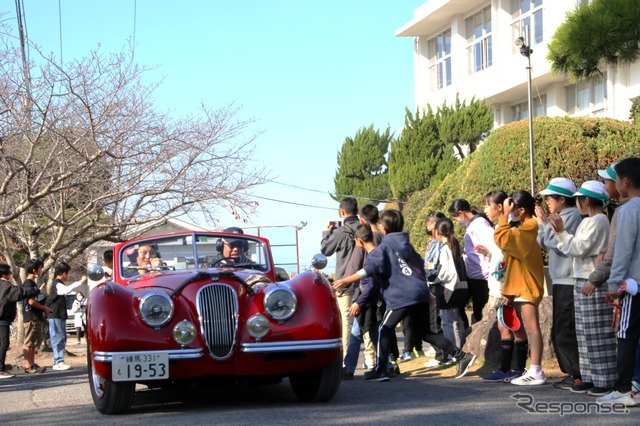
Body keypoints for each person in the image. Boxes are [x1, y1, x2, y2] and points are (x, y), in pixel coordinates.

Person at [333, 210, 476, 382]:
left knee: (384, 329)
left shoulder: (385, 247)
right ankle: (461, 356)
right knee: (426, 333)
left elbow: (368, 269)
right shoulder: (407, 246)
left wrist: (346, 280)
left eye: (379, 224)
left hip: (402, 296)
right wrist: (427, 293)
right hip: (420, 293)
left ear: (384, 227)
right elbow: (420, 268)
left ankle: (381, 369)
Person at [549, 180, 615, 395]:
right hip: (581, 278)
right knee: (584, 333)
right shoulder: (591, 219)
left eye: (578, 199)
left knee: (597, 333)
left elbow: (578, 248)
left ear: (586, 200)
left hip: (591, 280)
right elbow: (576, 248)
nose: (577, 203)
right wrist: (562, 234)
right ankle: (589, 376)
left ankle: (604, 379)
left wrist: (560, 232)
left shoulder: (599, 220)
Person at [597, 158, 640, 406]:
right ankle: (635, 386)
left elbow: (622, 251)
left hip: (632, 286)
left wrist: (614, 286)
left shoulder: (627, 211)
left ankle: (624, 389)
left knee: (625, 335)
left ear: (624, 182)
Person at [534, 178, 583, 390]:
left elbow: (557, 244)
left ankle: (577, 373)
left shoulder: (571, 216)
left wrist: (545, 226)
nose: (548, 202)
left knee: (565, 328)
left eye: (550, 198)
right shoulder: (562, 216)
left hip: (568, 278)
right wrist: (543, 224)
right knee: (561, 327)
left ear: (563, 199)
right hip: (561, 278)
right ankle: (573, 372)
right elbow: (544, 242)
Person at [494, 190, 546, 386]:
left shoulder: (530, 226)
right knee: (530, 329)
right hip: (520, 285)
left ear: (522, 210)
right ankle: (533, 369)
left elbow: (504, 240)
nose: (509, 212)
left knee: (533, 329)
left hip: (528, 285)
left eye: (512, 209)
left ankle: (536, 370)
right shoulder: (525, 226)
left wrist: (503, 217)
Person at [477, 190, 529, 383]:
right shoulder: (500, 229)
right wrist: (489, 253)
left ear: (500, 208)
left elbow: (510, 261)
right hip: (501, 287)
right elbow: (500, 257)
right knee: (505, 325)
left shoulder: (510, 229)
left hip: (509, 288)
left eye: (487, 206)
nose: (485, 210)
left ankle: (516, 368)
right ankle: (508, 368)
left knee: (513, 325)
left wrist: (508, 290)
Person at [321, 197, 362, 358]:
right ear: (357, 211)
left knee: (346, 321)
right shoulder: (365, 229)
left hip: (344, 283)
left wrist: (326, 233)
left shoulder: (340, 232)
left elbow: (325, 250)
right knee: (366, 322)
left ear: (342, 212)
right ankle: (372, 359)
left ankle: (345, 358)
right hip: (364, 282)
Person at [448, 199, 494, 323]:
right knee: (478, 312)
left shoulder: (480, 225)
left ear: (461, 212)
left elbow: (494, 245)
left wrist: (487, 252)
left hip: (482, 277)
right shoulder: (472, 225)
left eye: (456, 217)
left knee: (482, 314)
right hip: (475, 276)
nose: (457, 221)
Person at [431, 218, 469, 349]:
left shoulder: (445, 248)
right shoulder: (456, 245)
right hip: (461, 288)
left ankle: (454, 351)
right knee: (457, 321)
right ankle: (462, 348)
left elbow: (445, 273)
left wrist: (433, 278)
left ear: (437, 232)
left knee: (448, 323)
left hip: (448, 289)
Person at [0, 263, 38, 379]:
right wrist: (35, 290)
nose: (11, 274)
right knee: (4, 343)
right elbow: (20, 293)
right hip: (2, 319)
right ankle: (0, 369)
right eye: (9, 272)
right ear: (5, 274)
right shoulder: (6, 286)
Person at [47, 262, 84, 371]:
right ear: (63, 273)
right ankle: (58, 361)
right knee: (57, 337)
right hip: (55, 315)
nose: (68, 276)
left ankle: (59, 360)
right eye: (68, 273)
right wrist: (79, 282)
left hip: (59, 315)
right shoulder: (57, 283)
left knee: (62, 337)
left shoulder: (58, 283)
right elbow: (64, 290)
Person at [22, 259, 51, 374]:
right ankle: (28, 366)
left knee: (34, 342)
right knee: (28, 342)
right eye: (40, 268)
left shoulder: (33, 283)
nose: (41, 270)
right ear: (34, 270)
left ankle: (32, 364)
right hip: (30, 316)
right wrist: (44, 308)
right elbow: (31, 302)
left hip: (35, 316)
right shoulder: (28, 283)